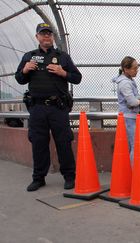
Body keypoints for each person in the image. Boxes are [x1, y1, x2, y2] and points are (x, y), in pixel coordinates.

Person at [15, 23, 82, 191]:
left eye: (49, 34)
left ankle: (69, 176)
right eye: (43, 34)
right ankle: (38, 178)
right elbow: (19, 79)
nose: (46, 37)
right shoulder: (29, 57)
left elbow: (77, 78)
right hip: (37, 108)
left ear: (52, 37)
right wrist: (24, 70)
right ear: (37, 37)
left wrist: (63, 73)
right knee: (38, 143)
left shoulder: (62, 57)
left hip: (57, 107)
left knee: (64, 142)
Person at [112, 56, 140, 161]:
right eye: (134, 68)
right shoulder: (125, 83)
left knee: (131, 145)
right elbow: (132, 102)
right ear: (126, 69)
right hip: (128, 117)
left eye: (137, 68)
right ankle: (134, 171)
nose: (136, 71)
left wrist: (138, 100)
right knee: (135, 145)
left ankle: (131, 170)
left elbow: (133, 98)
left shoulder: (129, 81)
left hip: (130, 116)